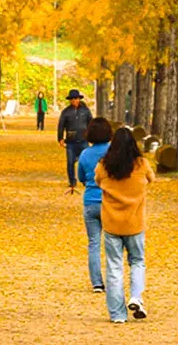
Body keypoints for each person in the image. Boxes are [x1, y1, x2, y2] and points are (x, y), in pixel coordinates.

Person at [96, 126, 154, 324]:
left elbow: (97, 181)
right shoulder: (142, 164)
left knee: (114, 267)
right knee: (137, 261)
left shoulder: (104, 166)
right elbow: (151, 179)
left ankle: (117, 314)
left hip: (111, 224)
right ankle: (136, 297)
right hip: (135, 223)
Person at [77, 117, 113, 293]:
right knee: (112, 242)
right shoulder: (113, 152)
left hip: (90, 201)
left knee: (93, 243)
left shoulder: (85, 154)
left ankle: (97, 282)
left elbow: (81, 177)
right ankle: (113, 278)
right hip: (110, 201)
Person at [57, 89, 93, 194]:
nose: (74, 100)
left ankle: (86, 180)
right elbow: (61, 126)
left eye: (76, 98)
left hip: (84, 140)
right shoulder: (66, 112)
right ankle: (72, 180)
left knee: (86, 162)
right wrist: (60, 138)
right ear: (70, 100)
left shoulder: (85, 111)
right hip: (71, 141)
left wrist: (92, 137)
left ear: (79, 99)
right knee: (70, 162)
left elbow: (91, 123)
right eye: (72, 99)